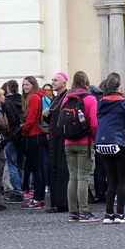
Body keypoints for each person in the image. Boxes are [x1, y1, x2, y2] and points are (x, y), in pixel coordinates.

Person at [95, 74, 125, 224]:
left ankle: (108, 214)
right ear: (119, 87)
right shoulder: (122, 103)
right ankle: (120, 214)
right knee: (122, 180)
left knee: (111, 180)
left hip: (103, 141)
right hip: (120, 140)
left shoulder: (101, 102)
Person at [62, 71, 99, 222]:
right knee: (83, 177)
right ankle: (83, 211)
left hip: (68, 142)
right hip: (85, 142)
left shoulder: (66, 99)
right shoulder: (90, 99)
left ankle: (73, 211)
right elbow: (95, 123)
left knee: (73, 177)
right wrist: (95, 139)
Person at [21, 76, 49, 209]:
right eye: (23, 85)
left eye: (27, 85)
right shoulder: (40, 96)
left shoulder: (34, 98)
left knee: (35, 168)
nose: (24, 87)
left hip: (34, 135)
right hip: (41, 135)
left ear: (32, 85)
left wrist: (23, 130)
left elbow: (31, 118)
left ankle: (37, 198)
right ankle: (40, 198)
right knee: (41, 168)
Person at [44, 73, 70, 213]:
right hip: (54, 139)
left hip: (62, 139)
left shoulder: (66, 97)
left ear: (64, 83)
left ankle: (63, 202)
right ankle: (56, 202)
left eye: (55, 80)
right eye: (52, 79)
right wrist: (46, 116)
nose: (52, 82)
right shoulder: (56, 98)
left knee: (62, 170)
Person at [2, 80, 26, 204]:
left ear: (7, 90)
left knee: (12, 165)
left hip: (11, 136)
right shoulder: (23, 100)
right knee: (21, 165)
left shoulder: (7, 103)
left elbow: (7, 121)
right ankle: (21, 189)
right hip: (22, 135)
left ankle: (17, 192)